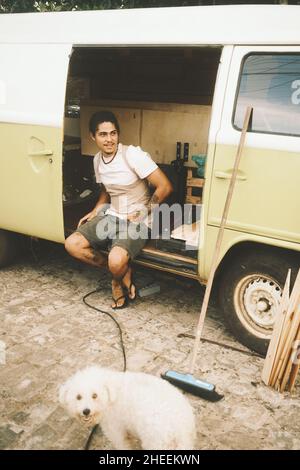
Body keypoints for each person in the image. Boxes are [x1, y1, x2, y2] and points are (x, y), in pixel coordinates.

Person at [65, 111, 173, 309]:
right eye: (103, 134)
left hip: (139, 219)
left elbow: (165, 186)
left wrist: (144, 211)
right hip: (113, 214)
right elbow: (106, 189)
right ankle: (122, 270)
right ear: (93, 136)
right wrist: (97, 208)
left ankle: (116, 280)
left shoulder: (132, 155)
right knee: (73, 244)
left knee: (116, 260)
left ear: (118, 134)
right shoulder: (98, 160)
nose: (109, 139)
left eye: (113, 133)